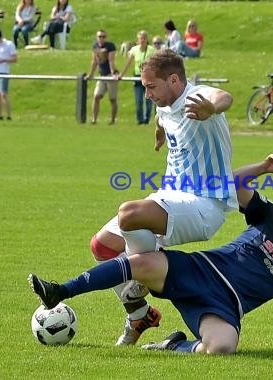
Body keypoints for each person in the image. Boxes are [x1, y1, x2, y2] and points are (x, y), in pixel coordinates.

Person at [28, 154, 273, 355]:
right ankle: (62, 290)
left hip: (222, 306)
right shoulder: (272, 217)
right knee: (141, 264)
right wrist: (262, 168)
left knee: (221, 349)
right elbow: (235, 185)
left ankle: (174, 345)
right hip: (198, 270)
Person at [85, 49, 237, 346]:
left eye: (151, 87)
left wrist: (211, 108)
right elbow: (162, 119)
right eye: (144, 87)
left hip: (206, 203)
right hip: (171, 196)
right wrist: (159, 134)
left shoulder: (197, 96)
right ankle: (139, 314)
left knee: (129, 214)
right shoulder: (164, 106)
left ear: (175, 80)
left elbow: (224, 97)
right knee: (102, 246)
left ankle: (143, 279)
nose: (147, 94)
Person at [117, 30, 155, 125]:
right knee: (138, 101)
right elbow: (128, 63)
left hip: (149, 77)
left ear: (147, 40)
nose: (142, 40)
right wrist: (121, 74)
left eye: (144, 38)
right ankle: (140, 120)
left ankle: (146, 120)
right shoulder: (134, 50)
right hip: (138, 77)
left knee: (149, 101)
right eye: (141, 38)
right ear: (138, 40)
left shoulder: (151, 50)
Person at [84, 30, 118, 125]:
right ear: (97, 37)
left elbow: (111, 61)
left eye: (103, 36)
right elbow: (94, 61)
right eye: (100, 36)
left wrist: (114, 73)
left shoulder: (110, 46)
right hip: (101, 75)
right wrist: (90, 74)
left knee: (112, 99)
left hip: (110, 75)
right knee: (96, 96)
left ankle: (113, 120)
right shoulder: (95, 46)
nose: (101, 38)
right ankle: (94, 119)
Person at [0, 30, 17, 120]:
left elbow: (15, 59)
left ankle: (8, 115)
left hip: (4, 71)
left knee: (3, 93)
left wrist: (4, 60)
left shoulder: (9, 44)